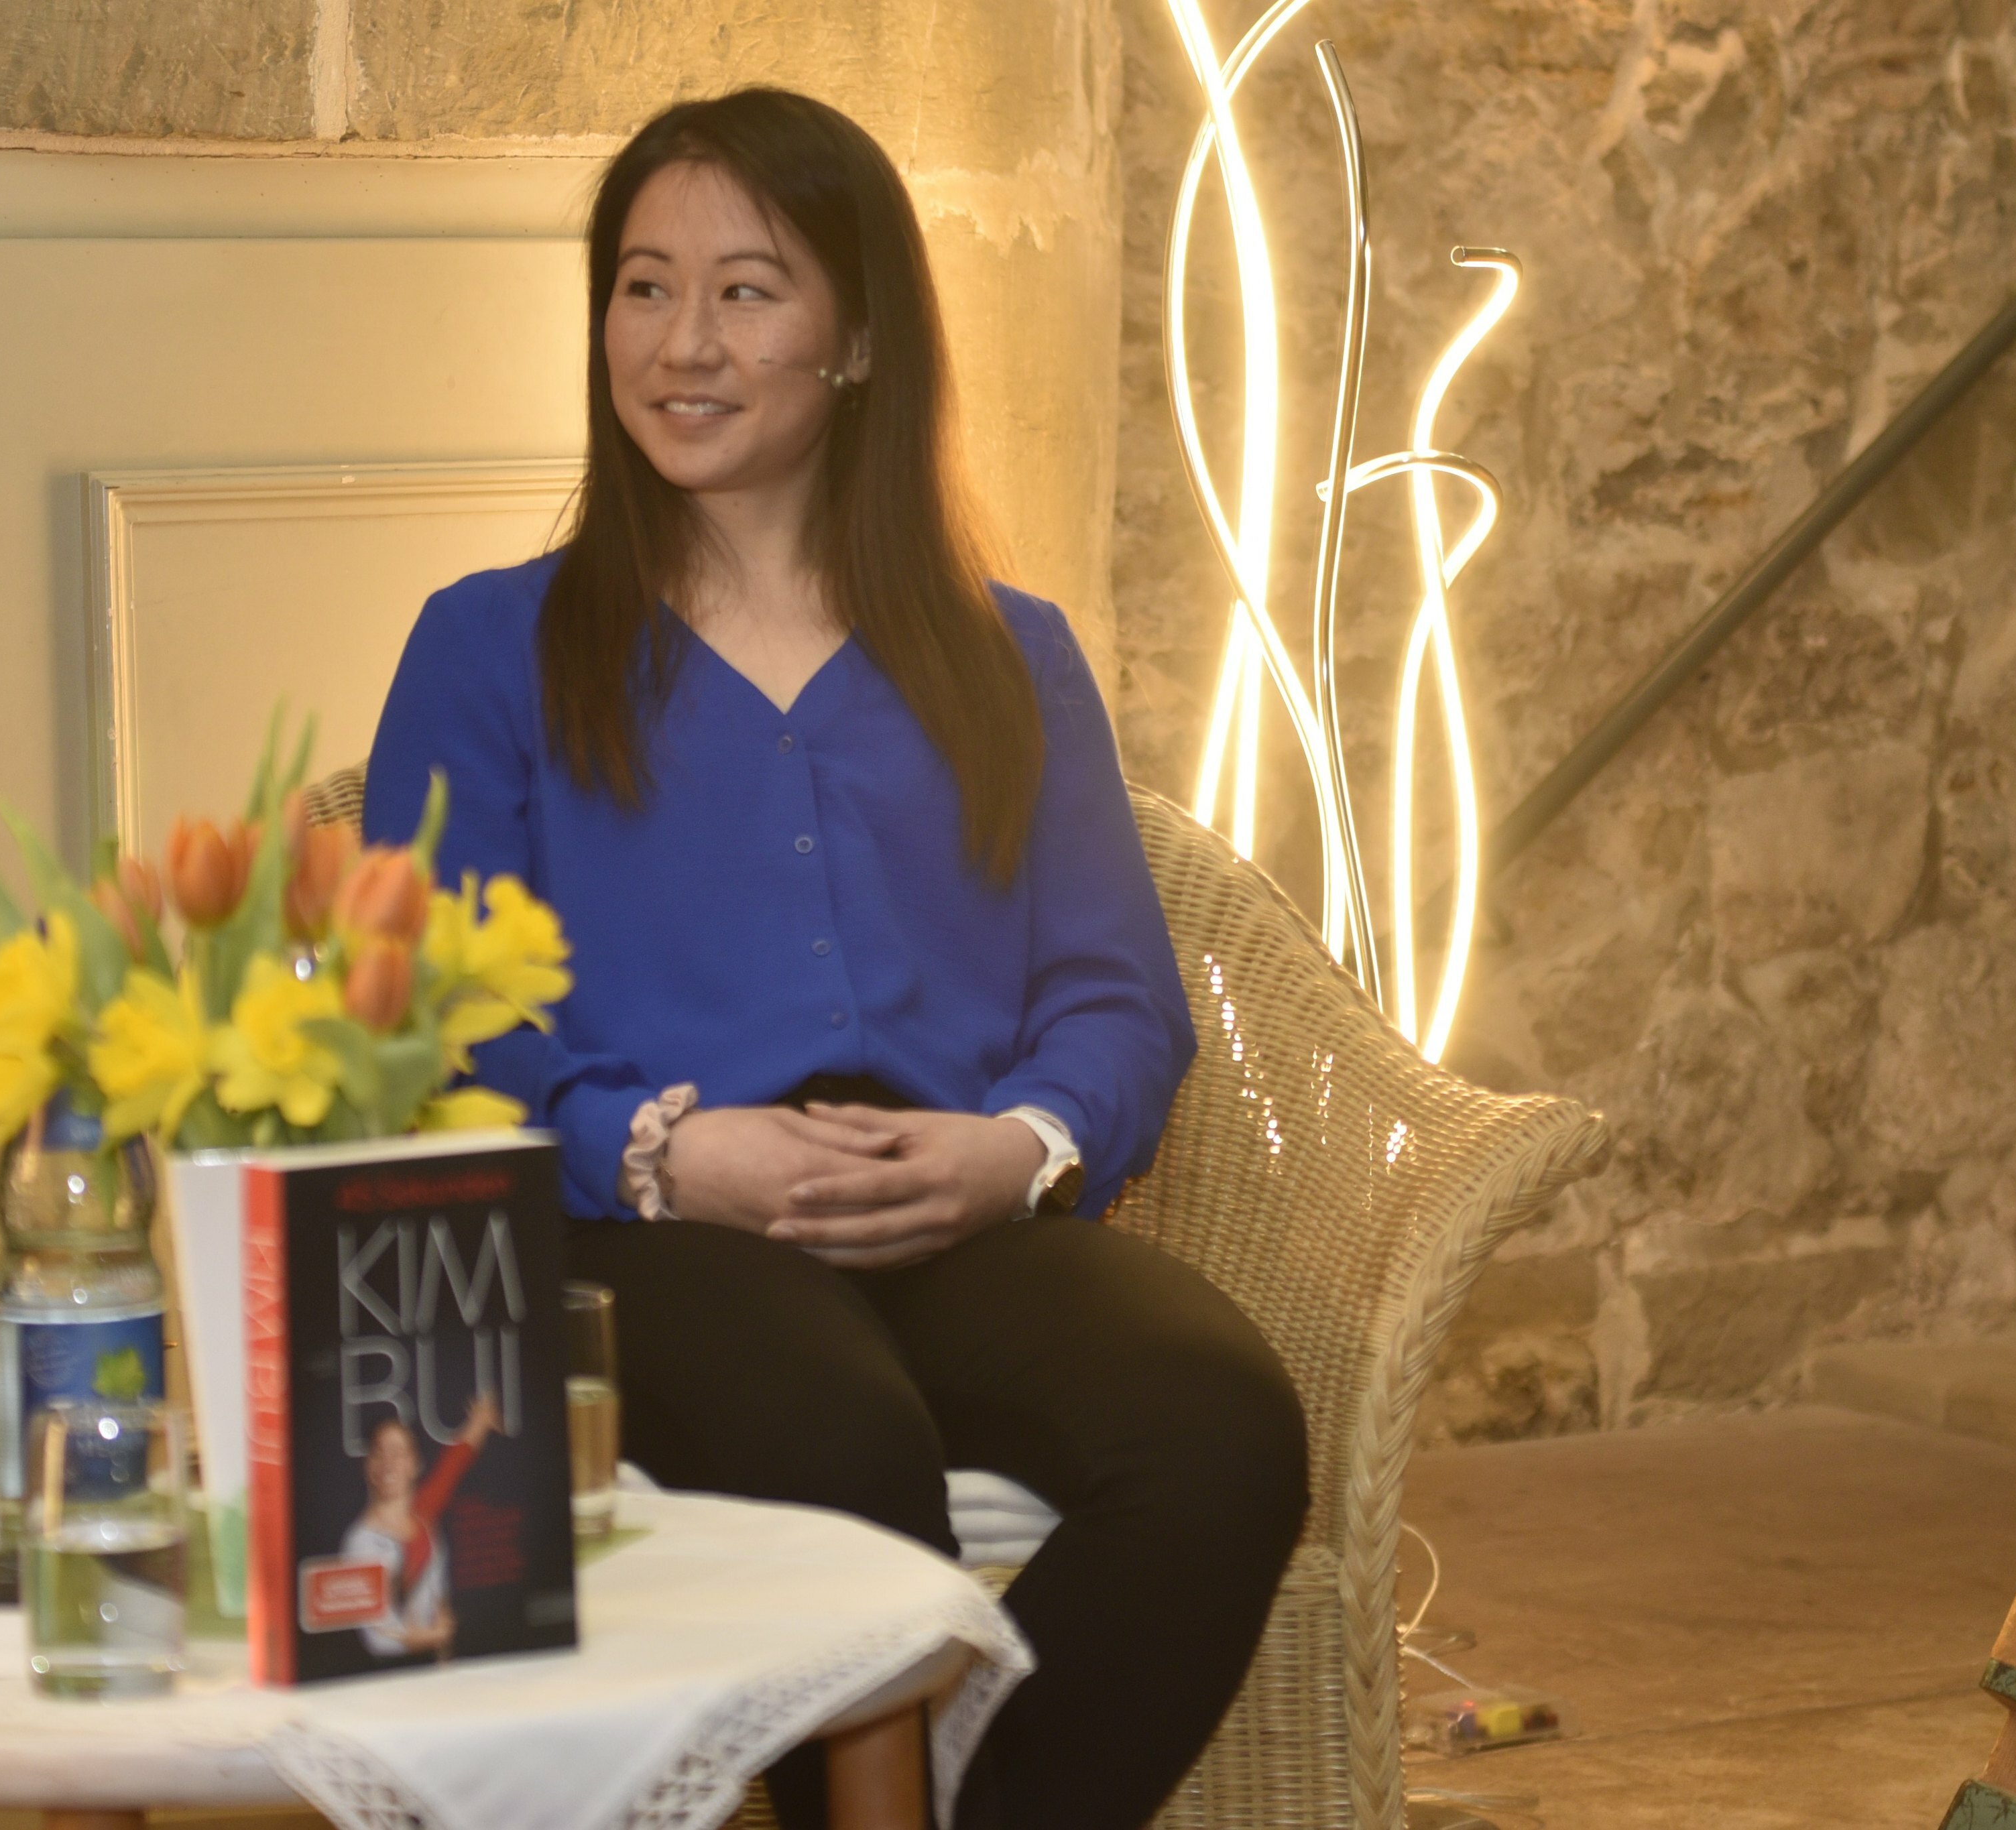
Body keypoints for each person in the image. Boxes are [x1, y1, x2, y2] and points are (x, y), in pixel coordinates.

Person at [364, 86, 1308, 1830]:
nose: (682, 343)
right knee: (840, 1451)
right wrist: (659, 1149)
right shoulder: (488, 647)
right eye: (644, 287)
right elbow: (422, 1021)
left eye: (747, 290)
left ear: (858, 339)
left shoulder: (1011, 655)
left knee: (1219, 1426)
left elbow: (1115, 994)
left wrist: (1014, 1148)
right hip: (640, 1235)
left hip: (952, 1213)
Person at [339, 1395, 500, 1661]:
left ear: (415, 1464)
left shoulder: (423, 1514)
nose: (388, 1462)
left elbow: (452, 1466)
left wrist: (481, 1421)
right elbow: (378, 1638)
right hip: (391, 1673)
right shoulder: (362, 1542)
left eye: (398, 1453)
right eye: (379, 1453)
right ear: (368, 1465)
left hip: (439, 1665)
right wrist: (431, 1637)